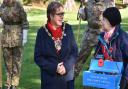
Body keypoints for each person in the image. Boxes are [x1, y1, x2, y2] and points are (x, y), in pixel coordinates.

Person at [34, 1, 78, 89]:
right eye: (59, 14)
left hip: (67, 77)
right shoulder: (42, 32)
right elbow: (38, 57)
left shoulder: (68, 29)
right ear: (51, 15)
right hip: (50, 78)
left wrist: (66, 67)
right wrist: (54, 68)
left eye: (63, 14)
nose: (62, 16)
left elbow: (74, 52)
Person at [74, 0, 115, 78]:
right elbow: (84, 17)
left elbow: (113, 19)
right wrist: (81, 12)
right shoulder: (88, 2)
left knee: (104, 58)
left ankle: (101, 80)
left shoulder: (109, 2)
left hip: (103, 34)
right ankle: (71, 78)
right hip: (89, 34)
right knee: (80, 56)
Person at [94, 7, 128, 89]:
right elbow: (98, 56)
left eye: (104, 19)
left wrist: (124, 80)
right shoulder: (102, 36)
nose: (101, 21)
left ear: (111, 21)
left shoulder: (123, 38)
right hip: (106, 79)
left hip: (121, 81)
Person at [0, 0, 29, 89]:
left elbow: (24, 21)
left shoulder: (18, 5)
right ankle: (8, 83)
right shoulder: (2, 5)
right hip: (5, 38)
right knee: (7, 62)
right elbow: (1, 20)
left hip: (18, 37)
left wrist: (25, 37)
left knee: (17, 62)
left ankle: (14, 84)